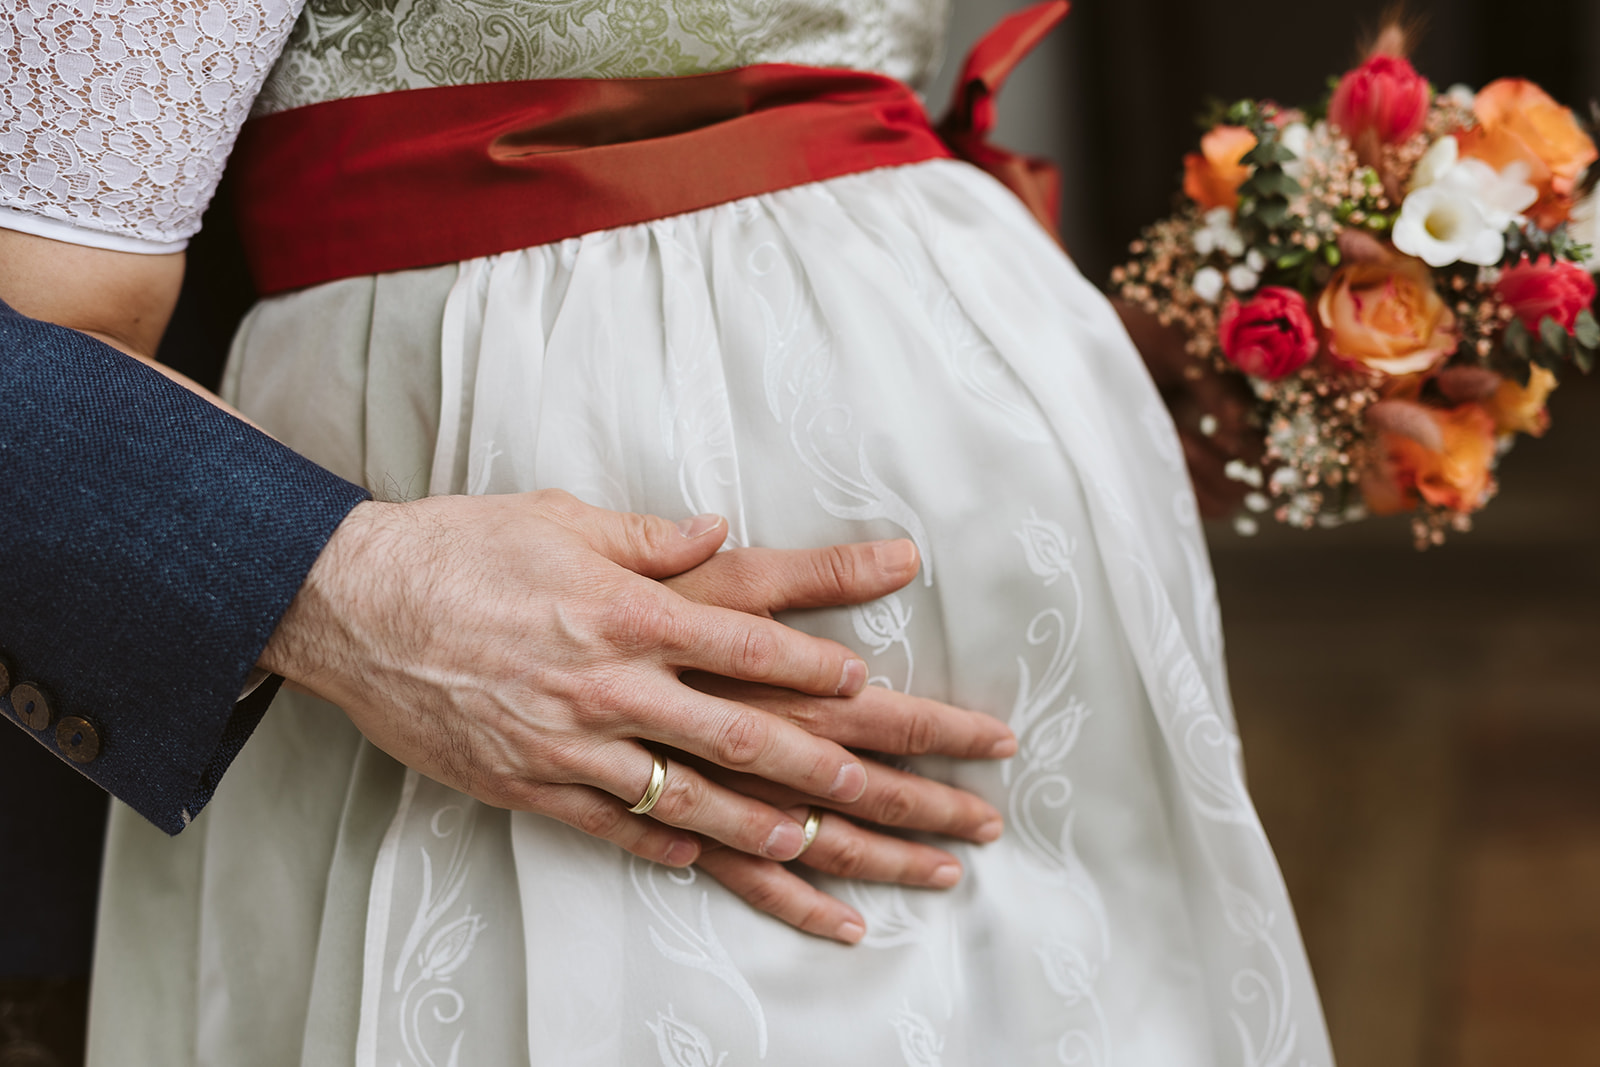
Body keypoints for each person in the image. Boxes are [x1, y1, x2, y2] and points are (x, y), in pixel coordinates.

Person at [4, 1, 1337, 1064]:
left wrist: (1047, 361)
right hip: (535, 618)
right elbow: (44, 314)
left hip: (1018, 617)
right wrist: (340, 586)